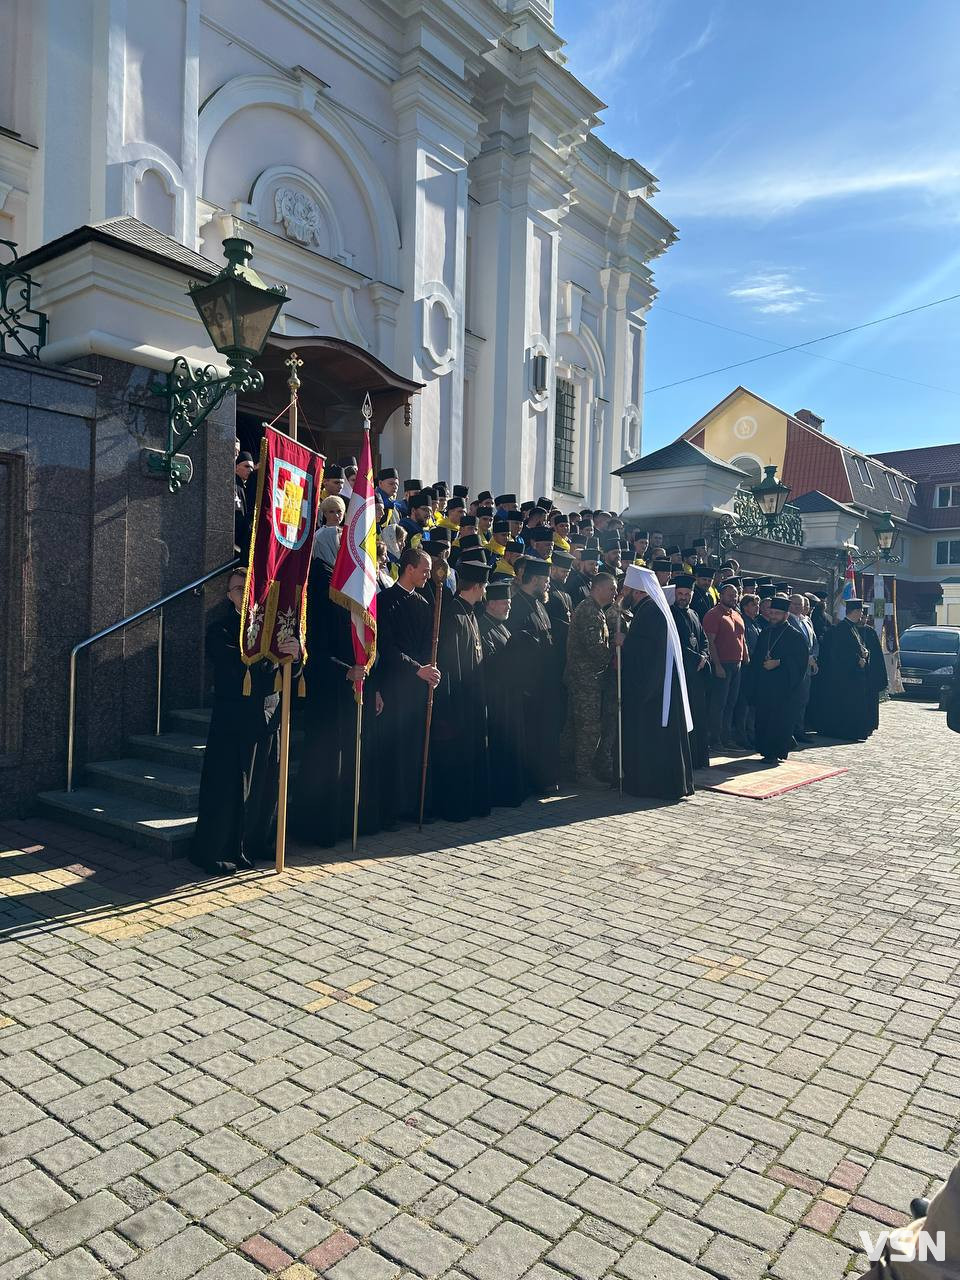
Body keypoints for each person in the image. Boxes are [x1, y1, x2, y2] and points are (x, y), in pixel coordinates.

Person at [192, 568, 301, 875]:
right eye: (238, 590)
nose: (245, 594)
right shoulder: (221, 629)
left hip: (268, 715)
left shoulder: (275, 628)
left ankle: (257, 842)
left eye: (249, 588)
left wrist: (295, 653)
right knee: (228, 786)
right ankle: (221, 848)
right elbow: (235, 664)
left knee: (266, 786)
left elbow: (291, 672)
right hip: (233, 719)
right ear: (229, 597)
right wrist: (274, 654)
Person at [620, 564, 694, 802]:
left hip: (653, 688)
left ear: (638, 591)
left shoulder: (650, 611)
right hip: (660, 685)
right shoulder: (651, 608)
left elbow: (648, 651)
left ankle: (653, 785)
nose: (624, 594)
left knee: (653, 738)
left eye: (628, 589)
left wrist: (625, 640)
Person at [377, 548, 442, 821]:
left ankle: (416, 806)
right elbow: (387, 647)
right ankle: (391, 810)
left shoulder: (424, 603)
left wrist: (430, 669)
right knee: (393, 749)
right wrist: (418, 669)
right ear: (409, 568)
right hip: (395, 684)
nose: (428, 574)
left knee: (417, 747)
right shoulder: (384, 601)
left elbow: (430, 644)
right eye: (424, 569)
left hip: (419, 686)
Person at [430, 560, 491, 821]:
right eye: (484, 586)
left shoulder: (470, 613)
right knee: (458, 755)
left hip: (473, 699)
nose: (485, 591)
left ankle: (472, 802)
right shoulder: (454, 615)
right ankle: (456, 807)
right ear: (476, 586)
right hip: (458, 703)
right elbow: (451, 665)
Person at [565, 573, 619, 790]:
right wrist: (614, 648)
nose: (614, 593)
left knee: (577, 725)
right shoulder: (590, 610)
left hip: (588, 677)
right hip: (585, 678)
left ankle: (572, 767)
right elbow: (594, 648)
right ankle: (582, 772)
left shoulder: (597, 610)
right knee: (588, 727)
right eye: (611, 588)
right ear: (597, 588)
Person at [506, 558, 556, 794]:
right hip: (527, 685)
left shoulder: (540, 604)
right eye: (545, 580)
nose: (548, 585)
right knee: (529, 736)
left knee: (543, 734)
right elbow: (515, 647)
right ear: (534, 579)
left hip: (545, 685)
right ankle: (529, 781)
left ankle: (542, 779)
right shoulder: (516, 606)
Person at [478, 582, 528, 808]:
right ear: (491, 604)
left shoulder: (503, 625)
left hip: (511, 694)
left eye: (510, 601)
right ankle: (501, 792)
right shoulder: (483, 626)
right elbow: (489, 662)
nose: (509, 606)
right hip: (496, 698)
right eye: (504, 602)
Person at [752, 595, 811, 762]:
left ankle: (776, 752)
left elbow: (800, 661)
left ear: (786, 615)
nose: (773, 616)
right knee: (764, 719)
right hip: (765, 686)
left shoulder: (796, 636)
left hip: (784, 688)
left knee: (779, 721)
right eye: (771, 613)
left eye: (777, 613)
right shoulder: (765, 633)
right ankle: (765, 751)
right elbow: (757, 656)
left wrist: (779, 662)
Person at [811, 599, 874, 741]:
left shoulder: (851, 627)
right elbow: (839, 652)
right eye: (861, 612)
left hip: (852, 674)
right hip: (844, 676)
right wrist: (857, 659)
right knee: (846, 705)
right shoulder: (841, 628)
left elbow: (855, 647)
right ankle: (846, 732)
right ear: (855, 612)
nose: (862, 615)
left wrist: (864, 653)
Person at [670, 574, 711, 768]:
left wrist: (704, 654)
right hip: (681, 673)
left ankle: (698, 758)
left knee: (699, 715)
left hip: (697, 673)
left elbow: (703, 639)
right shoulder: (670, 614)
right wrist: (697, 658)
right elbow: (674, 642)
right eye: (680, 593)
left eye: (687, 594)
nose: (683, 597)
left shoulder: (694, 613)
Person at [703, 581, 748, 751]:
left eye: (735, 594)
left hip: (737, 665)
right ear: (721, 596)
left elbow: (741, 637)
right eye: (729, 595)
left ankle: (726, 737)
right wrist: (717, 665)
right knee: (718, 704)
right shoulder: (714, 614)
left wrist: (745, 655)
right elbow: (710, 642)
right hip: (722, 664)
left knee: (731, 703)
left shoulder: (736, 614)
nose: (733, 597)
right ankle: (714, 740)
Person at [788, 593, 818, 742]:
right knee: (793, 700)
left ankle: (799, 729)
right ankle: (791, 730)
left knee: (803, 699)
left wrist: (813, 658)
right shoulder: (787, 621)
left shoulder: (806, 621)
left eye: (800, 605)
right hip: (795, 667)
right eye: (794, 604)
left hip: (808, 667)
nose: (798, 607)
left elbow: (814, 642)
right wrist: (806, 658)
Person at [859, 614, 889, 736]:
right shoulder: (852, 630)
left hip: (870, 673)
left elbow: (877, 655)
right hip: (858, 673)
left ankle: (871, 724)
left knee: (871, 700)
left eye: (865, 617)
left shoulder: (870, 632)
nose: (863, 619)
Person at [234, 450, 256, 555]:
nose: (250, 470)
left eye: (252, 467)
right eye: (247, 466)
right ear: (236, 467)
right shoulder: (234, 485)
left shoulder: (243, 487)